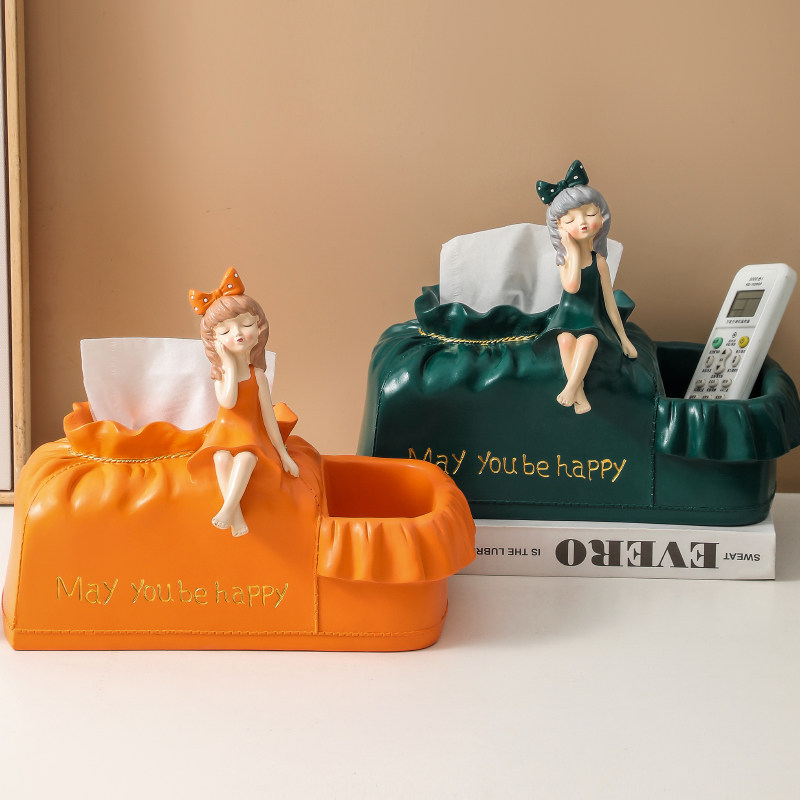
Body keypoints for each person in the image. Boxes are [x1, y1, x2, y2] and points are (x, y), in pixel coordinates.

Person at [188, 268, 299, 537]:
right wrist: (227, 365)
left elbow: (269, 418)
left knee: (247, 457)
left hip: (250, 434)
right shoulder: (220, 376)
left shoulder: (257, 376)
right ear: (214, 341)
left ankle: (228, 511)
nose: (237, 334)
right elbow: (228, 401)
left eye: (246, 325)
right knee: (221, 457)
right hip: (224, 433)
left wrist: (283, 454)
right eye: (225, 331)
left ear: (259, 329)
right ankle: (235, 518)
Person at [537, 160, 638, 414]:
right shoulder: (564, 261)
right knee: (564, 340)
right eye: (570, 220)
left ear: (602, 217)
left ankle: (571, 388)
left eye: (590, 214)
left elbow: (610, 303)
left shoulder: (599, 262)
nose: (582, 222)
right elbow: (572, 287)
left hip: (592, 318)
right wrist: (571, 251)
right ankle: (579, 395)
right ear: (559, 228)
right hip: (568, 317)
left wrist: (624, 339)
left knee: (589, 340)